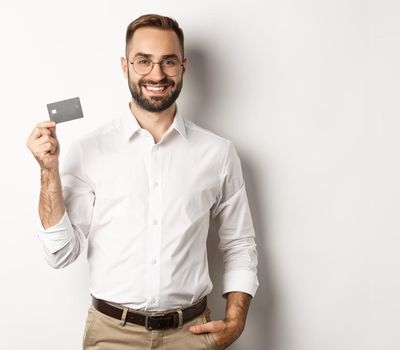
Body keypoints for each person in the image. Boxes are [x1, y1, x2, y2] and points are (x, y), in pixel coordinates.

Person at [25, 14, 258, 350]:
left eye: (168, 62)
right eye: (144, 61)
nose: (157, 74)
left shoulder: (218, 153)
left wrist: (237, 320)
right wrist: (48, 172)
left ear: (184, 66)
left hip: (191, 335)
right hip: (111, 335)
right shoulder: (89, 149)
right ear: (125, 66)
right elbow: (60, 253)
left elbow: (239, 244)